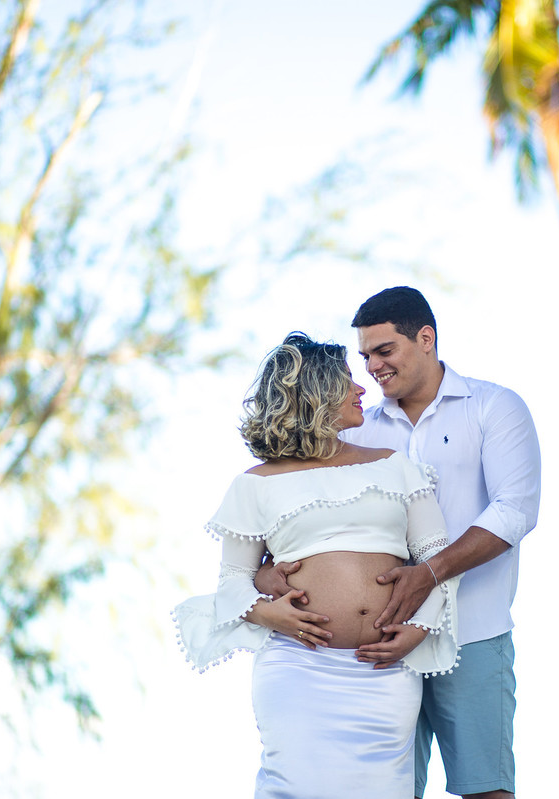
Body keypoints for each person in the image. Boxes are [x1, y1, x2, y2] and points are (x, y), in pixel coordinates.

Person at [259, 288, 542, 799]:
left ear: (425, 338)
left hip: (473, 633)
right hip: (378, 650)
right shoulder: (358, 432)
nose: (371, 367)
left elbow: (514, 511)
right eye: (364, 356)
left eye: (383, 351)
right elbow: (301, 516)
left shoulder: (493, 407)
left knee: (486, 790)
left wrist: (428, 575)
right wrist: (268, 575)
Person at [172, 332, 460, 799]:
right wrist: (270, 613)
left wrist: (422, 629)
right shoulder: (255, 485)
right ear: (317, 393)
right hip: (299, 671)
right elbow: (232, 582)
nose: (362, 389)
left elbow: (438, 560)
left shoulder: (395, 465)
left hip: (383, 675)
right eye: (348, 380)